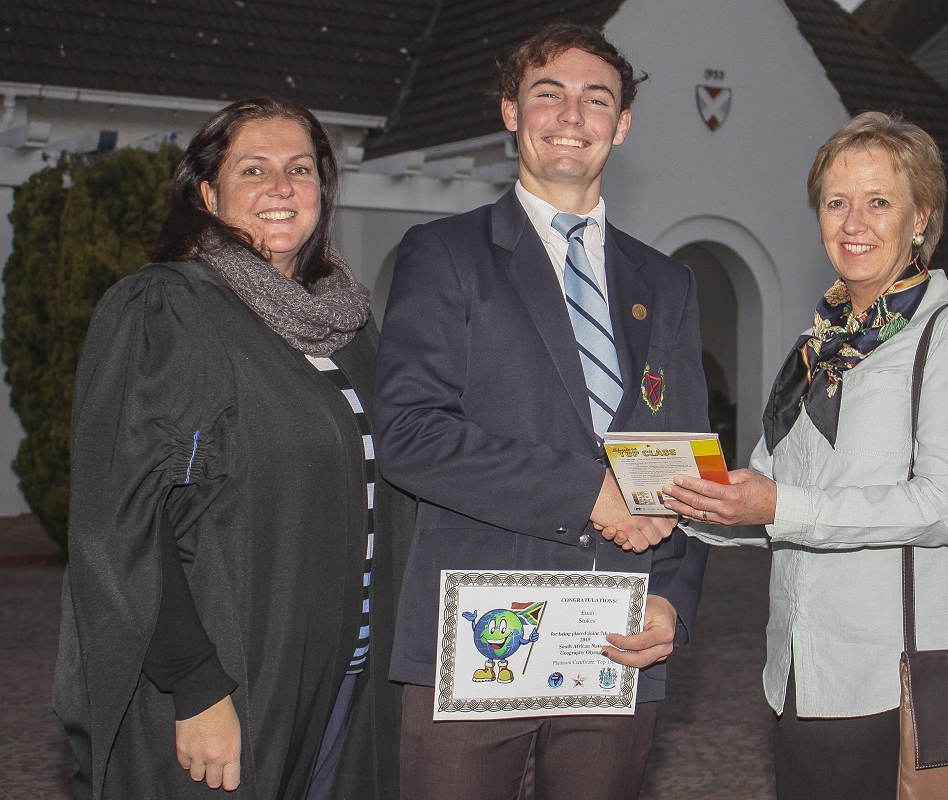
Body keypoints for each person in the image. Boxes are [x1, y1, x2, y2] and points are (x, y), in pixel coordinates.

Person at [373, 23, 710, 800]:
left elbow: (682, 461)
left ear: (621, 125)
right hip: (478, 639)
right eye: (547, 94)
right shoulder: (443, 253)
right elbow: (410, 435)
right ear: (509, 112)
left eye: (597, 100)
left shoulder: (667, 284)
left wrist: (672, 600)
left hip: (617, 636)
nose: (571, 115)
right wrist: (587, 492)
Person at [53, 97, 410, 800]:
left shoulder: (351, 328)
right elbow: (120, 521)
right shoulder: (166, 309)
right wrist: (195, 685)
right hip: (236, 679)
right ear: (208, 193)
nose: (282, 186)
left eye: (300, 168)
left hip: (354, 676)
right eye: (256, 168)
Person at [660, 111, 948, 800]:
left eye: (878, 201)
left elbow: (943, 505)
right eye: (836, 202)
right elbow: (769, 485)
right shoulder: (820, 345)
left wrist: (777, 504)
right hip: (802, 669)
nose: (854, 221)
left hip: (909, 677)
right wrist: (678, 505)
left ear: (921, 217)